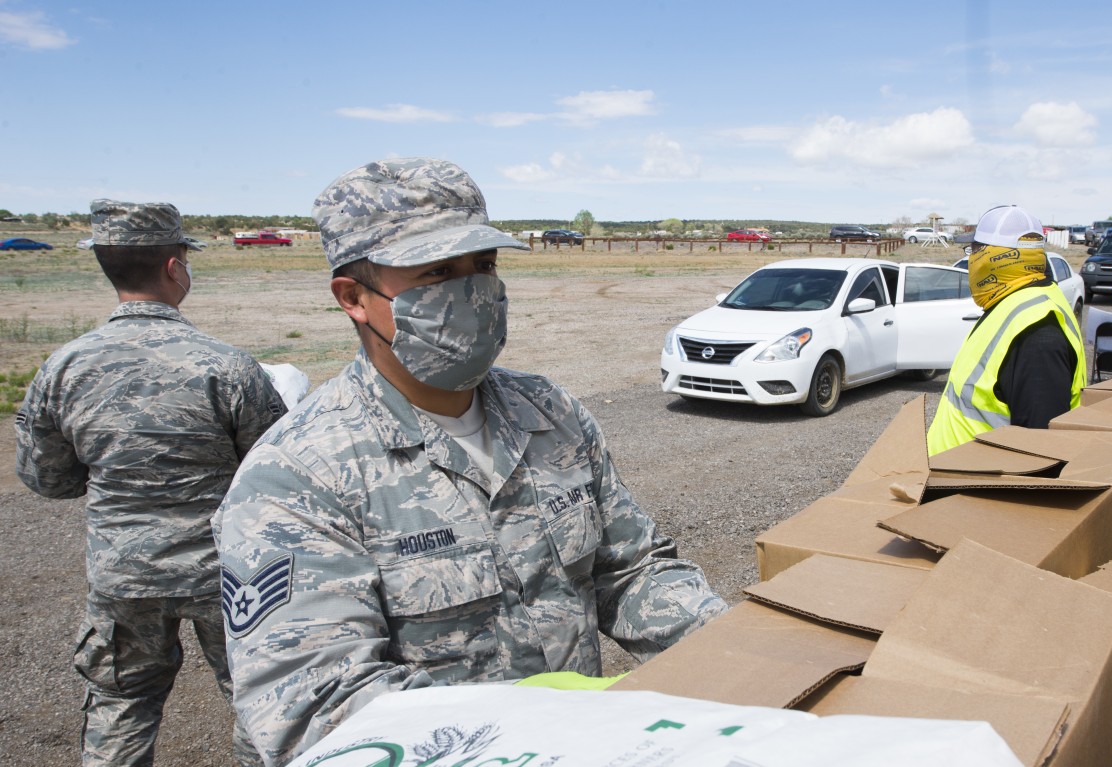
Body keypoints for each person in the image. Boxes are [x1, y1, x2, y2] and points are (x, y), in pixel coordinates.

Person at [213, 157, 728, 766]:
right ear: (353, 297)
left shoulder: (550, 412)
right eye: (436, 273)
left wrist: (736, 654)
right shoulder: (297, 475)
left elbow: (630, 571)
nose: (473, 292)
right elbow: (321, 709)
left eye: (483, 266)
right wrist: (553, 734)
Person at [14, 200, 285, 767]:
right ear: (172, 266)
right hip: (228, 574)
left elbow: (50, 480)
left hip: (123, 572)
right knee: (260, 704)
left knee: (121, 701)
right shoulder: (226, 365)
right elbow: (276, 473)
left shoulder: (64, 367)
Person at [926, 205, 1087, 455]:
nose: (970, 259)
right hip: (951, 479)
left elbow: (1040, 454)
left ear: (996, 257)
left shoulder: (1036, 334)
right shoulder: (1012, 304)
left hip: (975, 489)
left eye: (974, 250)